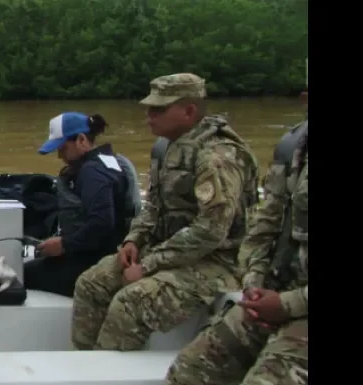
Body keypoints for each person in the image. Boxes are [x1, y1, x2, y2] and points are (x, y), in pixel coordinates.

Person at [117, 99, 308, 385]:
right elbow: (264, 226)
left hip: (295, 307)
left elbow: (216, 229)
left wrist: (287, 305)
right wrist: (255, 283)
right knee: (193, 365)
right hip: (272, 296)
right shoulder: (298, 149)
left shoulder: (219, 154)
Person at [70, 73, 260, 351]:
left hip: (217, 263)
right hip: (172, 253)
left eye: (158, 109)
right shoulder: (169, 148)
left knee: (131, 302)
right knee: (90, 284)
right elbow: (155, 206)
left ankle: (109, 378)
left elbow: (211, 231)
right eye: (149, 108)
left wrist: (148, 265)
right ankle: (86, 366)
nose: (148, 116)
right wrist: (134, 239)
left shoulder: (217, 155)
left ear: (189, 110)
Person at [23, 112, 141, 297]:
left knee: (21, 275)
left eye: (62, 148)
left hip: (95, 262)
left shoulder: (92, 172)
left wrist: (64, 244)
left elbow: (102, 223)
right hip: (109, 252)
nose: (60, 155)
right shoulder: (109, 162)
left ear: (81, 139)